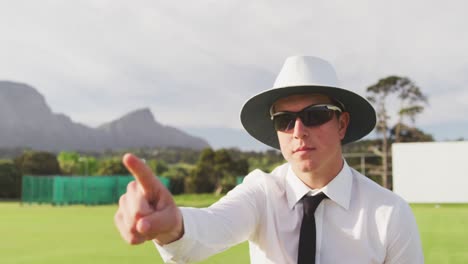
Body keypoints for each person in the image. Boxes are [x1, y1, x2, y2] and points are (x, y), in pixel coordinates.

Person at [114, 56, 424, 263]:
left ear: (341, 124)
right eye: (284, 120)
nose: (298, 131)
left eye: (314, 115)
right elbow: (209, 228)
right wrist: (172, 226)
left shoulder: (390, 214)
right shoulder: (261, 191)